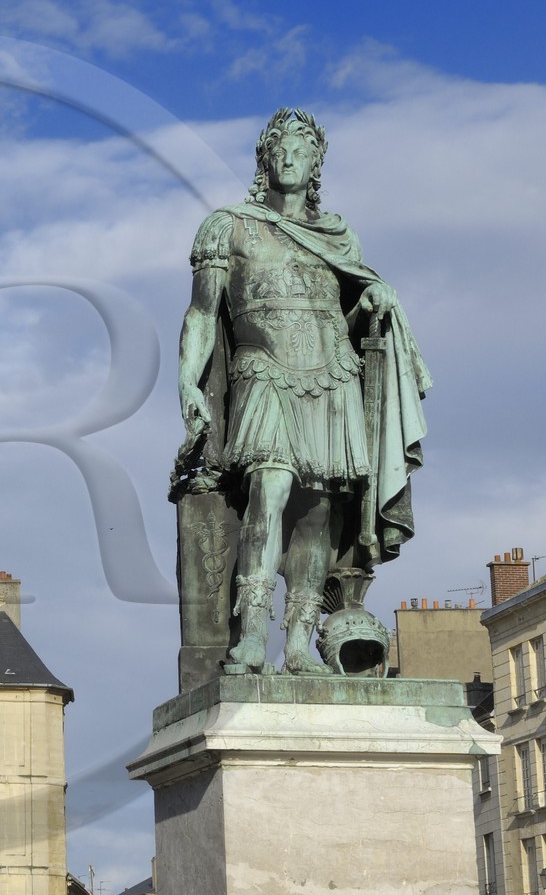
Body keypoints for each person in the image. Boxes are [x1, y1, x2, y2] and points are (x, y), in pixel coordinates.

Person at [176, 108, 429, 674]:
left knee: (317, 513)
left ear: (316, 164)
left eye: (302, 150)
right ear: (264, 159)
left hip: (332, 373)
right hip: (263, 370)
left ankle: (297, 645)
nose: (290, 158)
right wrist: (188, 383)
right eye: (280, 149)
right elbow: (201, 313)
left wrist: (375, 302)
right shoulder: (228, 225)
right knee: (269, 490)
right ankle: (251, 638)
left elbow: (350, 311)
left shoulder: (339, 236)